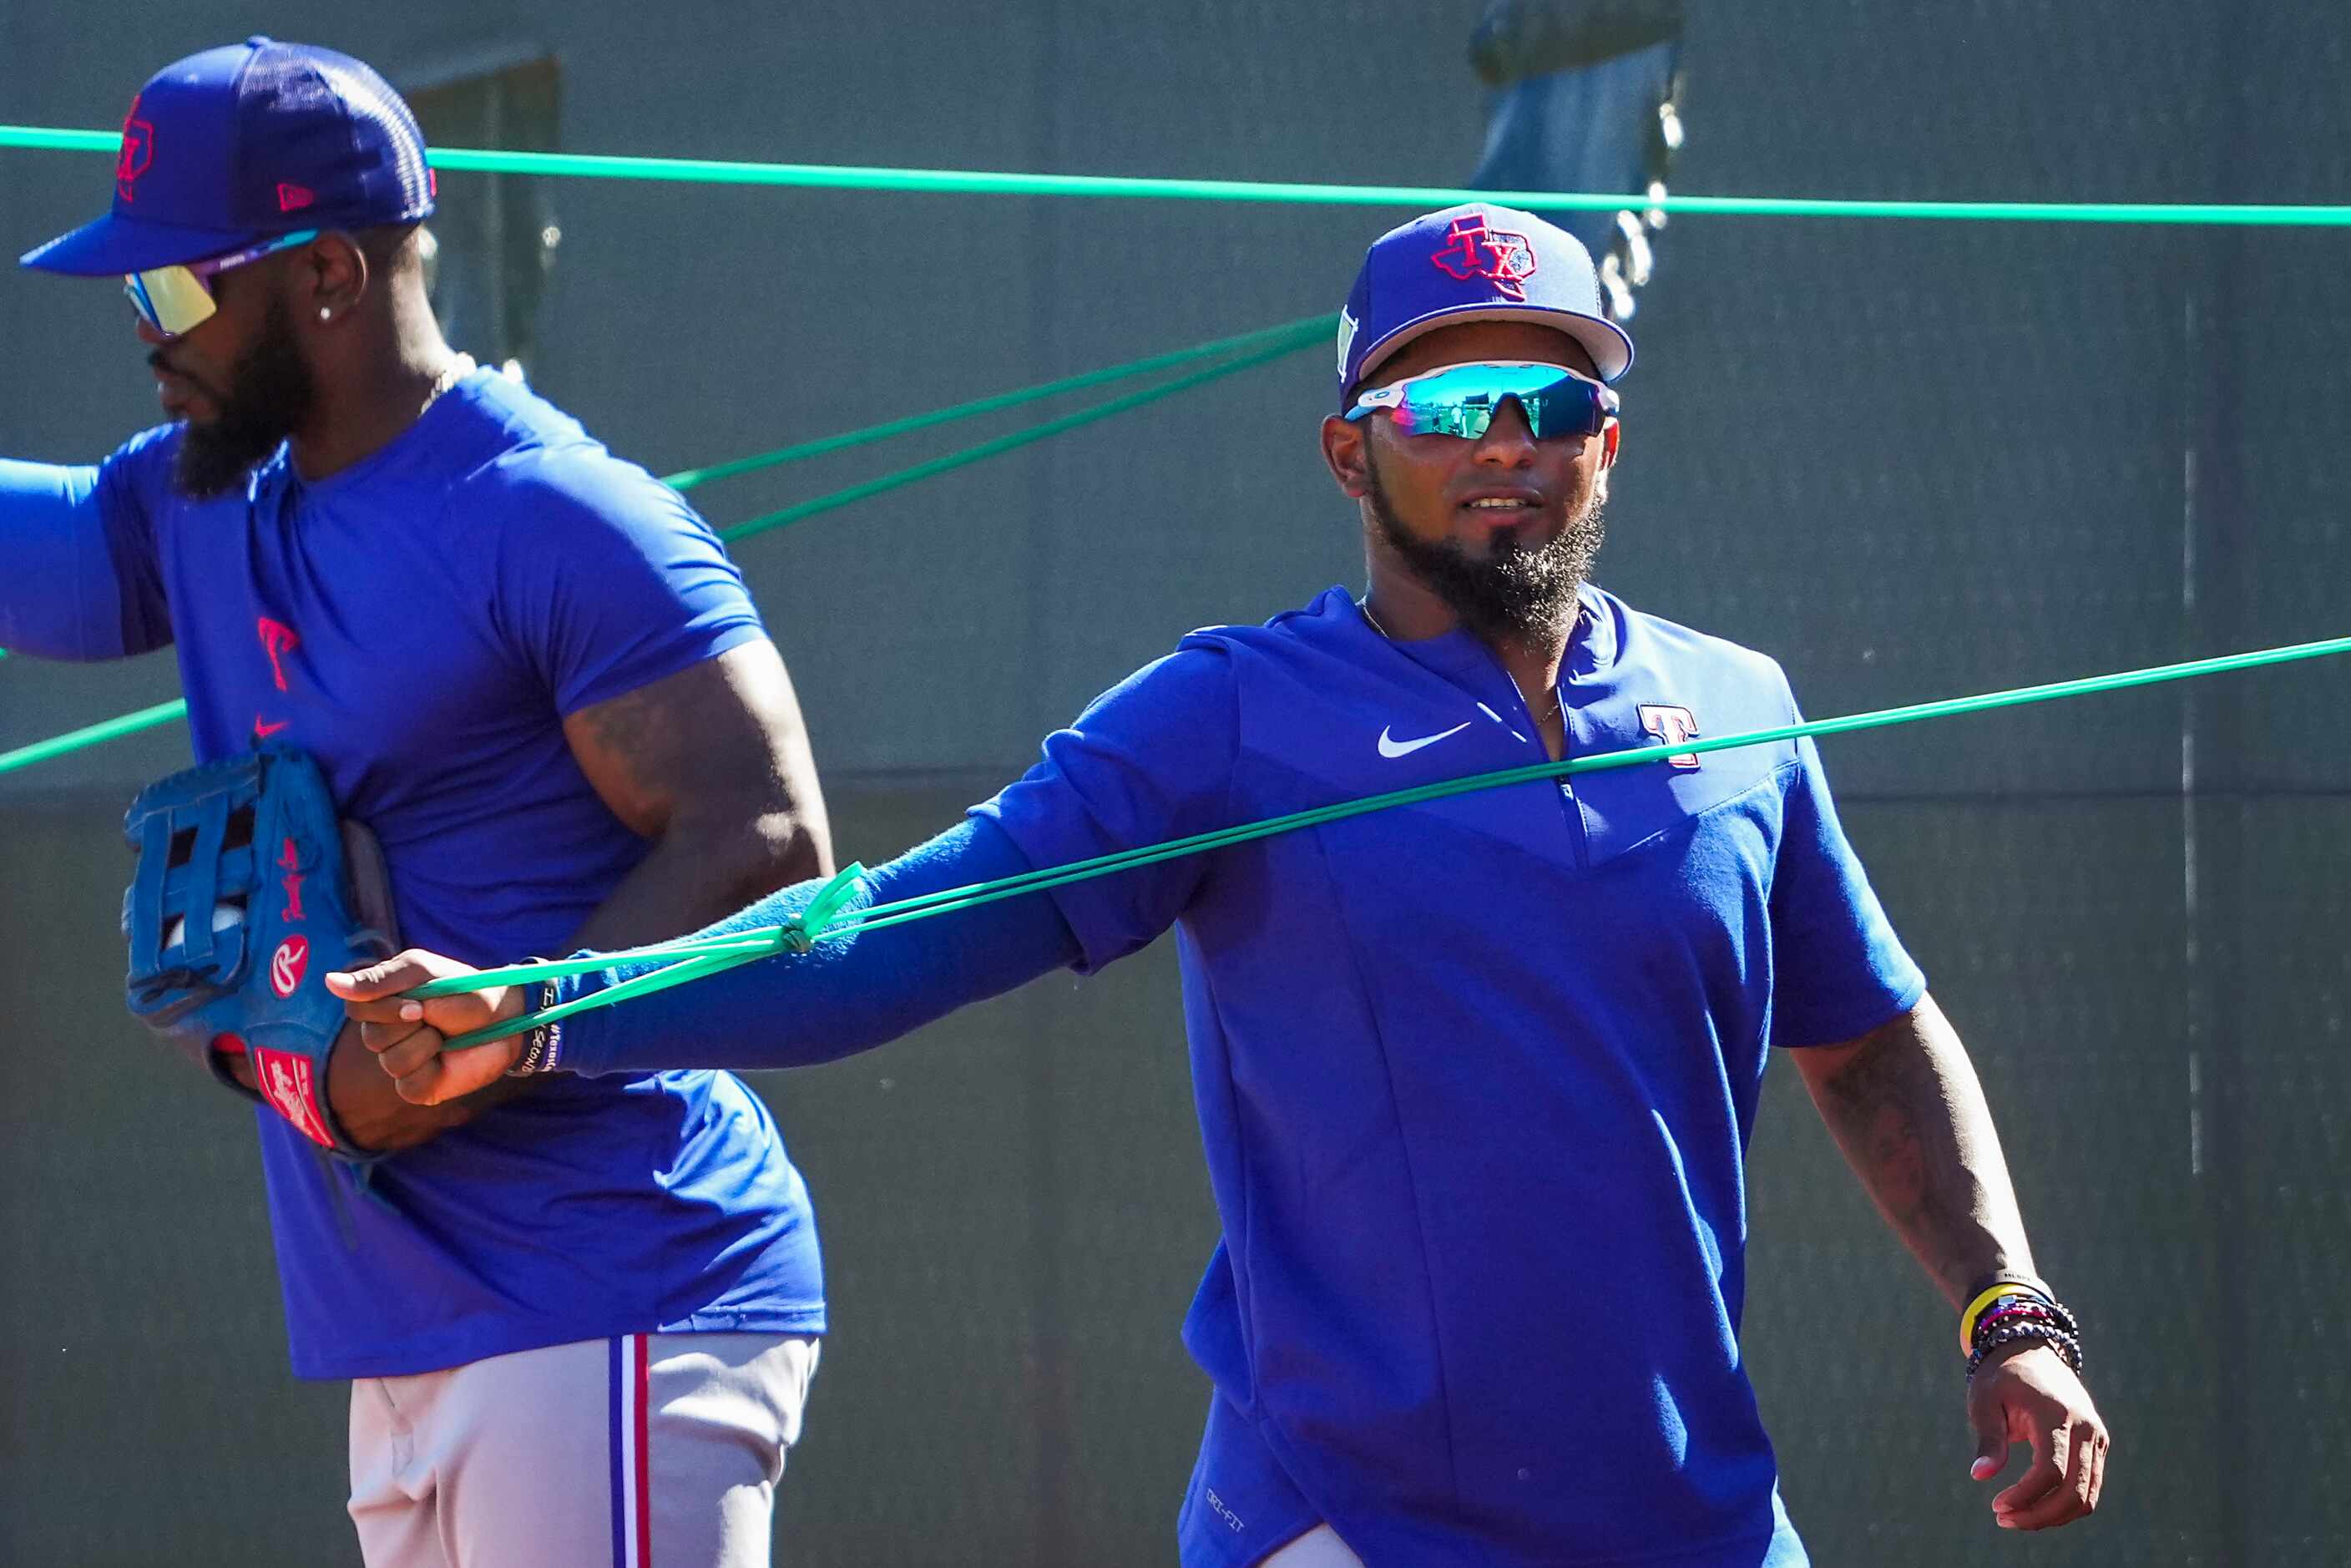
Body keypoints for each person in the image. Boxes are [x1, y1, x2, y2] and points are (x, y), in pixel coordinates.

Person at [335, 202, 2111, 1566]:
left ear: (1608, 441)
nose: (1505, 439)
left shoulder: (1738, 709)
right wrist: (553, 1011)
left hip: (1701, 1524)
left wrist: (2004, 1308)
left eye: (1552, 398)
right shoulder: (1231, 715)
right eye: (1446, 398)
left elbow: (1869, 1037)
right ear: (1350, 448)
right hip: (1349, 1523)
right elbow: (907, 926)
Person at [5, 38, 835, 1567]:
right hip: (399, 1319)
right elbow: (34, 552)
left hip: (609, 1287)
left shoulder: (550, 513)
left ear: (325, 270)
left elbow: (768, 833)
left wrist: (500, 1026)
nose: (147, 333)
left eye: (177, 290)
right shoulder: (204, 495)